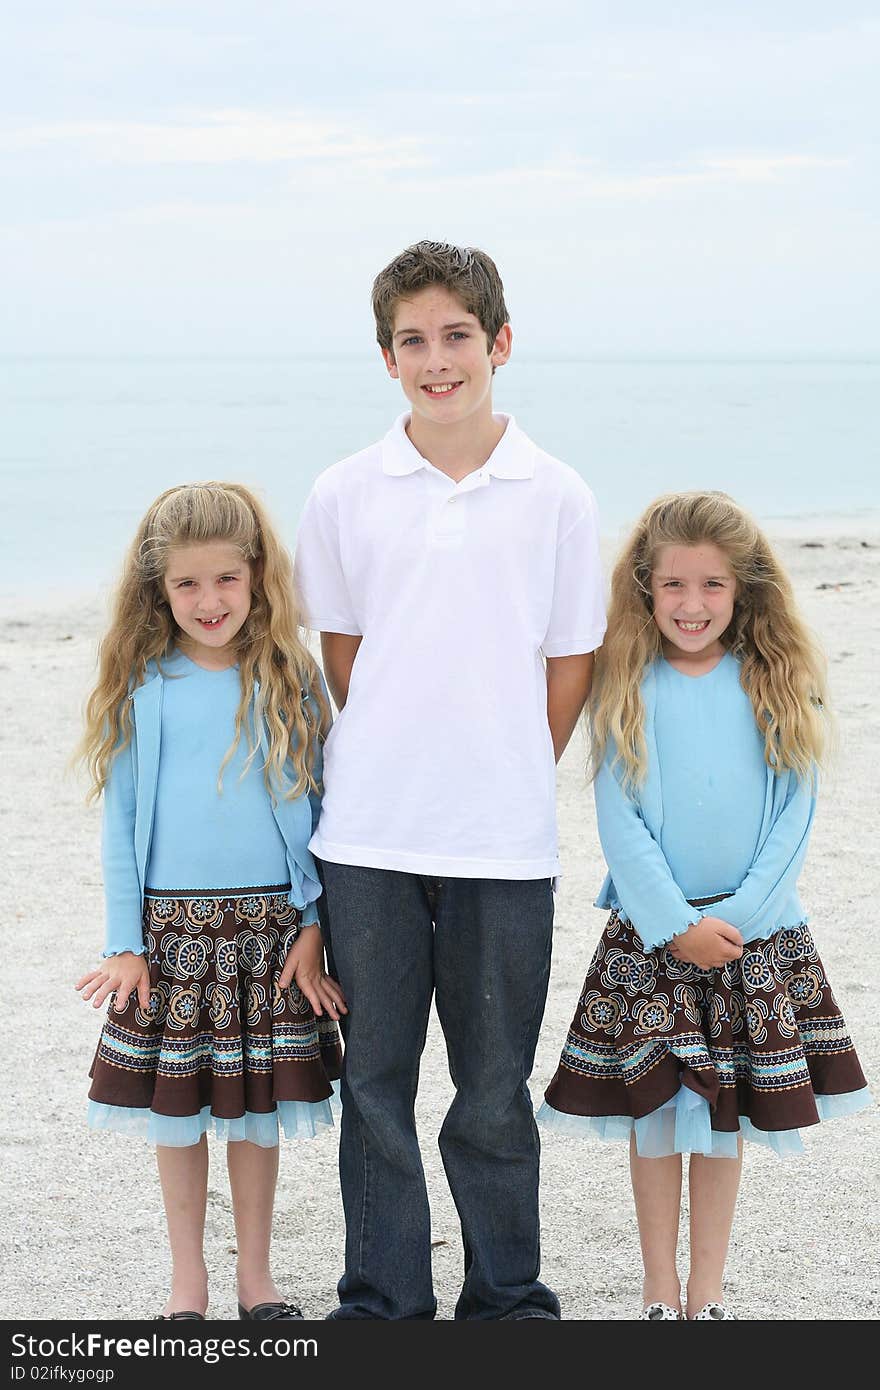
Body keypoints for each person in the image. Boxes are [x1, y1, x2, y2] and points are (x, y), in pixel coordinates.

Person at [293, 240, 606, 1319]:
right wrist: (400, 747)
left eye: (457, 336)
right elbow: (346, 653)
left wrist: (508, 759)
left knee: (489, 1087)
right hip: (370, 837)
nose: (438, 359)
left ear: (500, 343)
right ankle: (381, 1298)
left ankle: (506, 1295)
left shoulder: (557, 494)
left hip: (503, 841)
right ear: (387, 359)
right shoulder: (344, 491)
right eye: (413, 341)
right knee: (373, 1083)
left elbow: (570, 661)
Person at [539, 490, 870, 1321]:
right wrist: (674, 924)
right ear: (646, 589)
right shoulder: (626, 685)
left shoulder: (778, 680)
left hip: (753, 939)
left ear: (744, 589)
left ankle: (706, 1294)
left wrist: (743, 917)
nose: (692, 605)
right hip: (653, 942)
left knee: (724, 1122)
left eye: (712, 586)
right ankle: (658, 1289)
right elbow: (619, 818)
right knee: (657, 1115)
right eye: (674, 586)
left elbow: (797, 811)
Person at [74, 482, 347, 1321]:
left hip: (271, 930)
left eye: (226, 580)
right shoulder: (142, 684)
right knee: (179, 1110)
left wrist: (315, 924)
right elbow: (122, 826)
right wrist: (127, 941)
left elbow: (326, 808)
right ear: (159, 588)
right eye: (187, 585)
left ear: (257, 577)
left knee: (255, 1109)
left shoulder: (290, 676)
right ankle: (186, 1282)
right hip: (172, 936)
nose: (208, 601)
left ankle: (255, 1279)